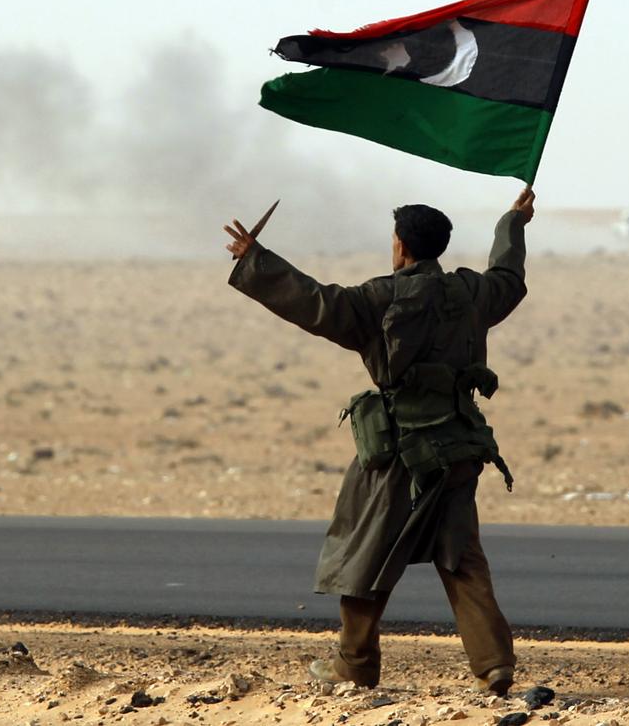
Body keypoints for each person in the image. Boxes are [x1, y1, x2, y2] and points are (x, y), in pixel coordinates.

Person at [223, 187, 535, 695]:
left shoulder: (380, 299)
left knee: (363, 553)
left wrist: (255, 261)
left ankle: (356, 664)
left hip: (398, 454)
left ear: (401, 248)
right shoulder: (470, 293)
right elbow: (508, 278)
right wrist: (512, 223)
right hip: (458, 448)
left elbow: (317, 304)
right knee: (461, 557)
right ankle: (494, 664)